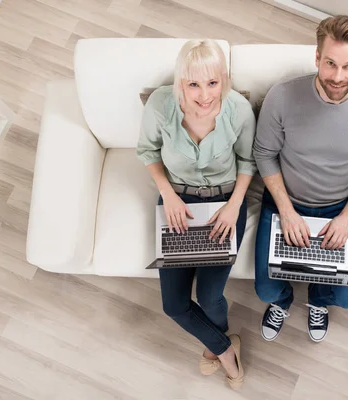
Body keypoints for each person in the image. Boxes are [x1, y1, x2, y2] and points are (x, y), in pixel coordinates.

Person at [253, 15, 348, 343]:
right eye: (330, 63)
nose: (338, 76)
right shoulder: (282, 97)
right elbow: (264, 154)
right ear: (317, 57)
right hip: (283, 202)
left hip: (337, 208)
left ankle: (317, 299)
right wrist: (287, 212)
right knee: (265, 289)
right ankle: (283, 301)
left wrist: (347, 218)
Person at [137, 39, 257, 389]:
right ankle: (223, 348)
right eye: (193, 84)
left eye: (212, 83)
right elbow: (147, 150)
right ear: (181, 83)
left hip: (224, 204)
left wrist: (234, 206)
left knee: (209, 295)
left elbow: (248, 162)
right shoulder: (161, 104)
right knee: (173, 305)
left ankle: (214, 345)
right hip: (177, 203)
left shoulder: (238, 110)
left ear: (224, 80)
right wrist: (168, 195)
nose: (204, 95)